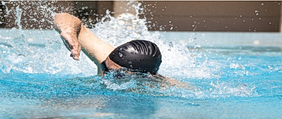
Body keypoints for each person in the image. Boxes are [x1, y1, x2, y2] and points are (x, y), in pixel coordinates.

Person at [54, 13, 192, 88]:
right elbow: (63, 17)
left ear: (145, 77)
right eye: (104, 67)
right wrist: (69, 31)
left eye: (117, 75)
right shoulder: (108, 58)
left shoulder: (165, 89)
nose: (105, 75)